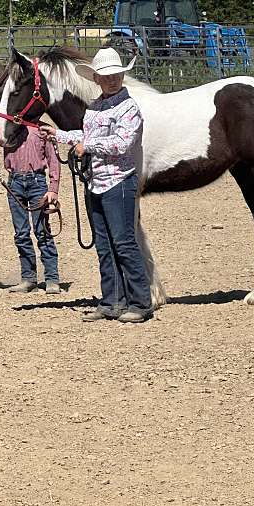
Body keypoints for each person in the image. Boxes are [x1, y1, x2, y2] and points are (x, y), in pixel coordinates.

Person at [40, 47, 152, 323]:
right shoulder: (96, 106)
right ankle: (111, 301)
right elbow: (86, 134)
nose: (112, 79)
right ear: (97, 79)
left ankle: (140, 302)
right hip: (96, 183)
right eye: (106, 76)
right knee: (104, 244)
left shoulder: (129, 108)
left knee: (124, 243)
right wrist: (61, 135)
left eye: (116, 75)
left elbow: (123, 142)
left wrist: (86, 145)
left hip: (119, 182)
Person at [0, 123, 61, 294]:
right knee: (21, 233)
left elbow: (53, 159)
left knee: (43, 231)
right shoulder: (8, 128)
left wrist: (53, 188)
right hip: (14, 182)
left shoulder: (42, 130)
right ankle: (28, 278)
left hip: (37, 182)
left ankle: (52, 279)